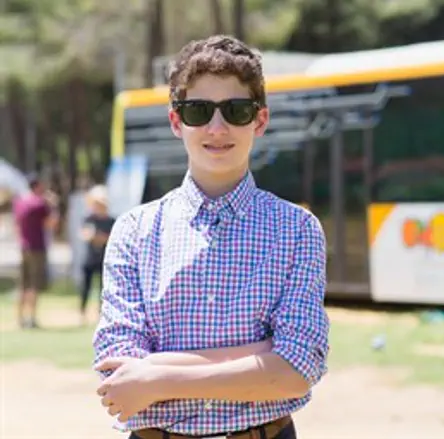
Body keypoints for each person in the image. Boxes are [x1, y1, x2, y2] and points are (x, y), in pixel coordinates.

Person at [91, 35, 329, 439]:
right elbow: (118, 370)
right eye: (199, 110)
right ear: (175, 121)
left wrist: (156, 377)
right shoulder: (133, 231)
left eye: (236, 110)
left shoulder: (299, 230)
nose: (217, 127)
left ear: (260, 120)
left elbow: (297, 370)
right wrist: (260, 357)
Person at [12, 173, 58, 329]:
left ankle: (19, 318)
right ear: (38, 186)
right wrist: (53, 205)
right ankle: (31, 318)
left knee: (23, 285)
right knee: (33, 285)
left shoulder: (19, 202)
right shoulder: (40, 203)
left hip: (23, 246)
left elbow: (16, 224)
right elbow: (50, 224)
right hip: (37, 247)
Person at [79, 184, 115, 325]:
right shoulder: (89, 219)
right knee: (85, 287)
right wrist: (98, 237)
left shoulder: (111, 220)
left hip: (104, 259)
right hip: (90, 258)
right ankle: (82, 312)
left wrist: (97, 237)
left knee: (104, 289)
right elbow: (86, 235)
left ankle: (101, 313)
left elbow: (108, 238)